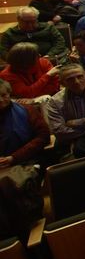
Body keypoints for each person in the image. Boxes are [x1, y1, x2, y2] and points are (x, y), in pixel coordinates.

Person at [0, 78, 49, 241]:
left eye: (4, 95)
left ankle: (23, 234)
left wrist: (14, 157)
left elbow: (43, 137)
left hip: (25, 161)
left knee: (10, 188)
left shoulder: (26, 110)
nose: (1, 100)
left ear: (9, 94)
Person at [0, 7, 67, 63]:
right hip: (22, 64)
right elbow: (3, 51)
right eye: (26, 22)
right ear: (18, 20)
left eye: (33, 21)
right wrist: (17, 60)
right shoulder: (9, 33)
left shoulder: (48, 27)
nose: (30, 25)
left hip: (49, 59)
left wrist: (49, 55)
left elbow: (60, 42)